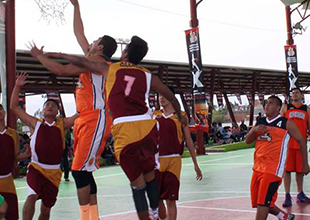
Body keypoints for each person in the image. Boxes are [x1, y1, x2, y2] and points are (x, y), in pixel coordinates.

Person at [53, 35, 185, 220]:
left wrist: (57, 54)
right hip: (146, 125)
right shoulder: (148, 75)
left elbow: (79, 61)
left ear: (124, 53)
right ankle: (155, 212)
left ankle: (144, 215)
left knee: (136, 184)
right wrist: (181, 116)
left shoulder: (111, 68)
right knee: (149, 175)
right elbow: (170, 96)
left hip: (124, 128)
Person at [28, 0, 118, 220]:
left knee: (78, 170)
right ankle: (92, 217)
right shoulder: (92, 58)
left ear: (100, 48)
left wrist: (40, 56)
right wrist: (76, 5)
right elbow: (79, 33)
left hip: (95, 117)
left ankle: (86, 216)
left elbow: (61, 69)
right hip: (86, 118)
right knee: (85, 170)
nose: (92, 41)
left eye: (96, 41)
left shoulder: (96, 62)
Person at [10, 73, 79, 220]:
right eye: (47, 105)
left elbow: (80, 114)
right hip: (36, 167)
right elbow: (14, 107)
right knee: (32, 195)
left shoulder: (63, 124)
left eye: (53, 105)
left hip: (54, 172)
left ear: (57, 112)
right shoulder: (35, 123)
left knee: (46, 210)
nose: (49, 106)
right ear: (43, 110)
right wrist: (17, 86)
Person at [245, 95, 309, 220]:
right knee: (261, 201)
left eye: (271, 103)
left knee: (263, 203)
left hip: (273, 170)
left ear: (278, 107)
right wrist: (254, 131)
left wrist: (305, 164)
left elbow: (302, 140)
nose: (266, 105)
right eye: (266, 103)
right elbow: (248, 141)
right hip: (258, 168)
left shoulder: (286, 123)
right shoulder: (260, 122)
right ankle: (284, 216)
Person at [155, 87, 203, 220]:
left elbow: (188, 140)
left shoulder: (181, 116)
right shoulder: (154, 115)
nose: (161, 98)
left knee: (171, 200)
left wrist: (195, 164)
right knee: (156, 199)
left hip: (173, 161)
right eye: (159, 95)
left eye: (164, 95)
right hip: (156, 161)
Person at [281, 88, 310, 207]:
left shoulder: (306, 109)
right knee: (287, 171)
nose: (294, 94)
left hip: (301, 144)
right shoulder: (286, 107)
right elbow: (280, 124)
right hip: (288, 144)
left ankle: (300, 193)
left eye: (296, 92)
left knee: (300, 170)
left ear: (301, 95)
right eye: (292, 93)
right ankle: (287, 195)